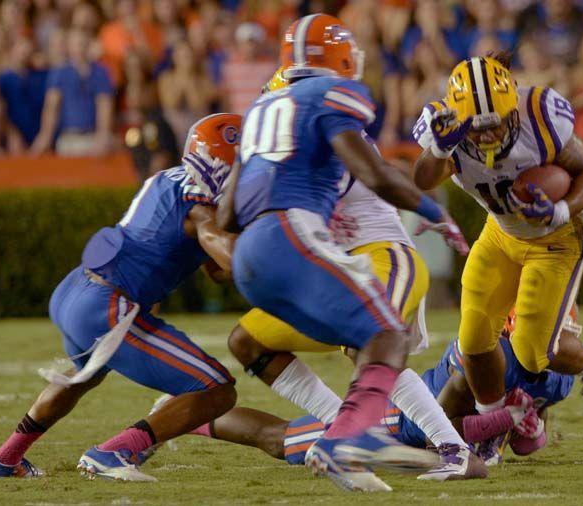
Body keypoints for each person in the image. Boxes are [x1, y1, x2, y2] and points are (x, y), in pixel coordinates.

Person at [219, 14, 484, 492]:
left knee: (369, 338)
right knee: (247, 340)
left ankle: (453, 449)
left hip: (381, 252)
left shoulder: (296, 128)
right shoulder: (315, 112)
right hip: (320, 259)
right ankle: (346, 432)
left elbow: (350, 180)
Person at [0, 114, 240, 481]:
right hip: (107, 306)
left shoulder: (165, 178)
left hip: (75, 290)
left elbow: (214, 270)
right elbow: (232, 259)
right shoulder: (201, 211)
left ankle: (5, 460)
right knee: (217, 389)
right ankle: (114, 452)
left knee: (83, 376)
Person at [411, 53, 583, 441]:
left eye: (499, 122)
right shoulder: (444, 128)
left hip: (555, 240)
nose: (491, 136)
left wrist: (561, 210)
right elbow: (422, 178)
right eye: (479, 128)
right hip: (502, 233)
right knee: (473, 336)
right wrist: (439, 150)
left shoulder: (540, 116)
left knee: (533, 352)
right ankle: (493, 422)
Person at [148, 308, 574, 467]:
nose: (564, 336)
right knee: (278, 440)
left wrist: (526, 428)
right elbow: (444, 427)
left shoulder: (554, 371)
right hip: (398, 422)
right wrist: (506, 418)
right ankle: (185, 414)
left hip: (417, 437)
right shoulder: (477, 358)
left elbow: (528, 432)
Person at [30, 28, 115, 157]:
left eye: (82, 43)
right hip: (68, 139)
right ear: (69, 47)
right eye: (75, 44)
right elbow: (51, 109)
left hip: (93, 139)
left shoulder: (100, 72)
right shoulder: (59, 73)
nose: (79, 49)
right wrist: (44, 138)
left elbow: (104, 105)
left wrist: (102, 136)